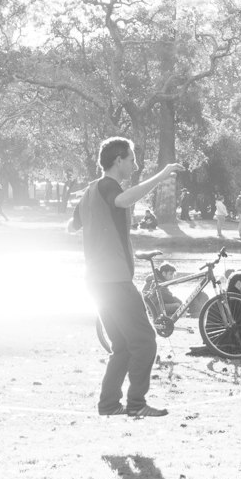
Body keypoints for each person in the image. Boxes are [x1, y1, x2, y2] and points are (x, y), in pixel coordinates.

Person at [68, 138, 183, 417]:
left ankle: (108, 405)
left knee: (121, 345)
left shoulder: (90, 191)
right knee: (144, 340)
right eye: (131, 159)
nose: (135, 164)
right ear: (118, 160)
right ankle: (136, 404)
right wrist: (163, 173)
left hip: (96, 280)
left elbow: (71, 226)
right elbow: (123, 199)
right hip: (113, 280)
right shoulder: (108, 186)